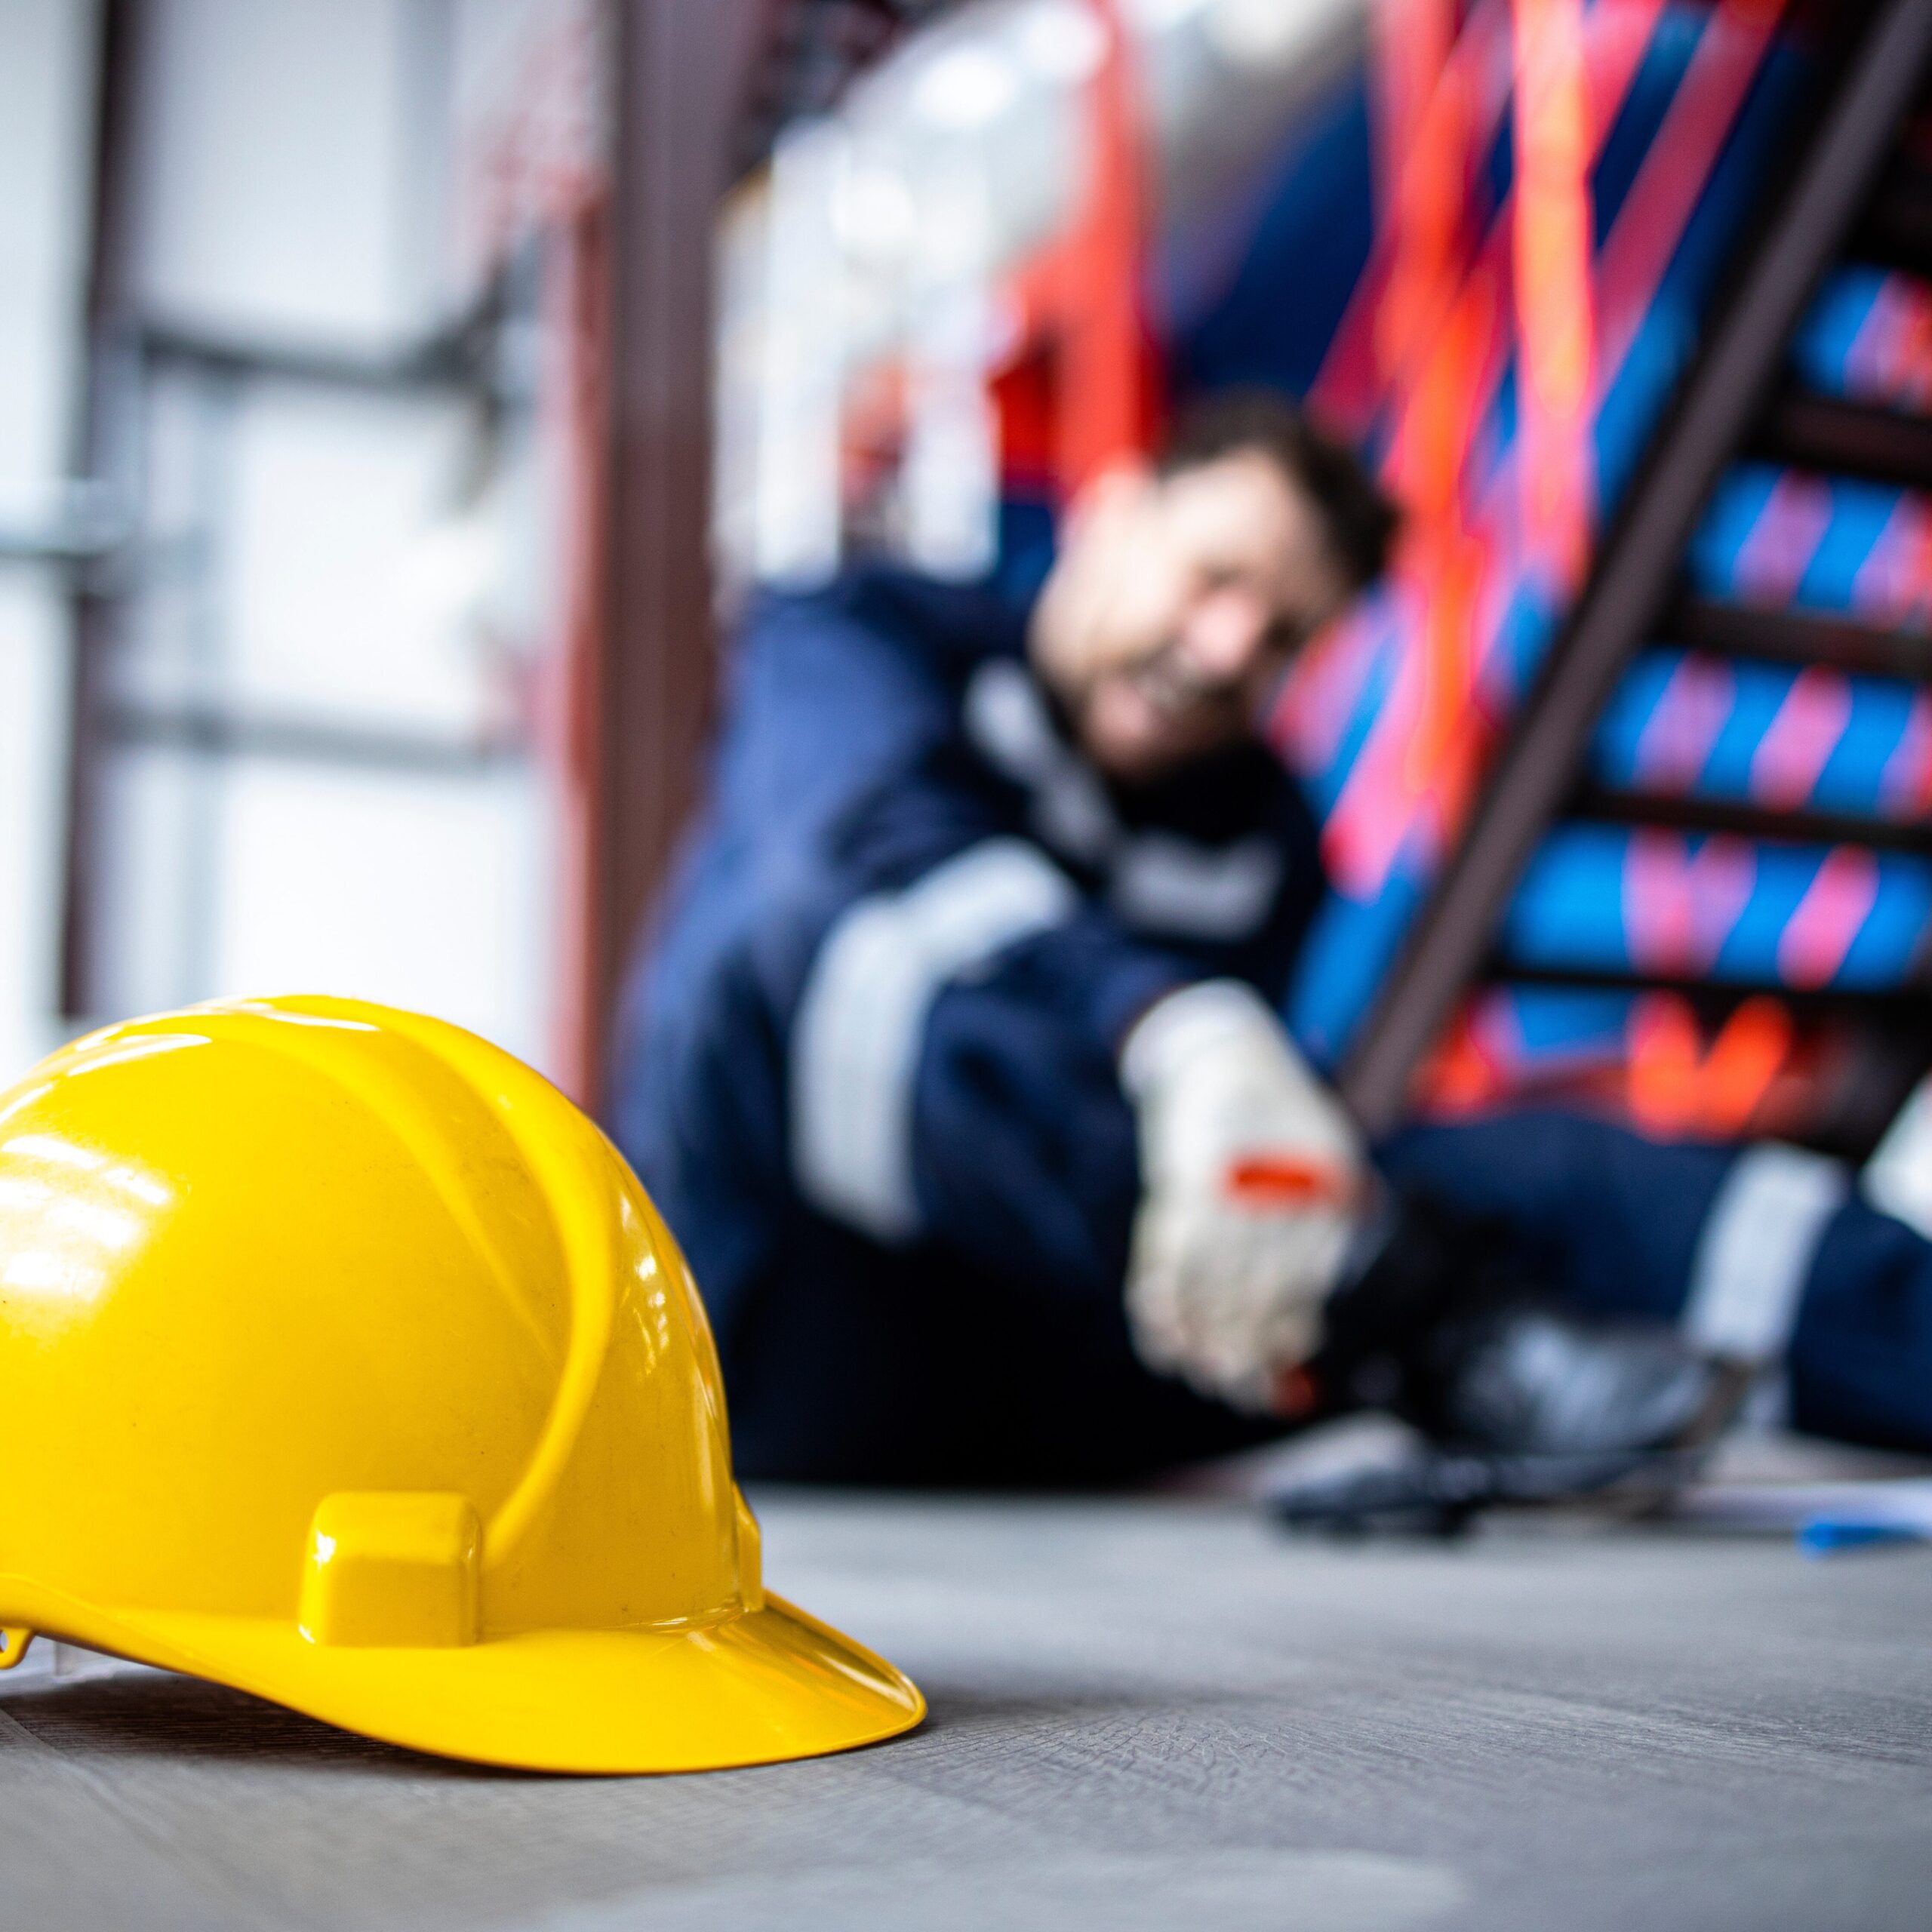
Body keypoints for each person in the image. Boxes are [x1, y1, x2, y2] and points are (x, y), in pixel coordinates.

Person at [611, 390, 1932, 1487]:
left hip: (1068, 1363)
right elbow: (867, 851)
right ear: (1113, 512)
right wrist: (1171, 1027)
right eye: (1215, 579)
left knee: (1543, 1176)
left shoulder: (1266, 838)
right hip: (767, 1340)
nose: (1228, 649)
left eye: (1284, 634)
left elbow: (1220, 1176)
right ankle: (1426, 1323)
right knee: (819, 959)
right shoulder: (853, 636)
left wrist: (1280, 1161)